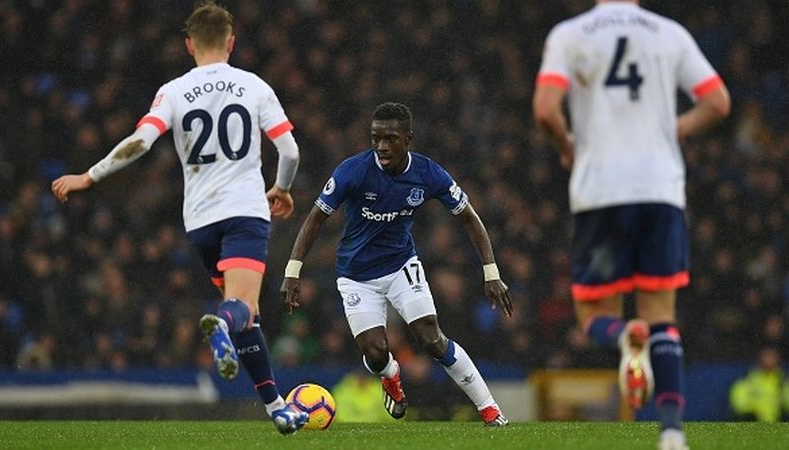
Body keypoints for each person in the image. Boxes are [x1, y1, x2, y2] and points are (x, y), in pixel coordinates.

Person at [51, 2, 308, 435]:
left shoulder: (173, 92)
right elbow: (290, 151)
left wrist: (89, 176)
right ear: (231, 42)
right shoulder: (255, 87)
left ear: (189, 45)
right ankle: (221, 325)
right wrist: (282, 188)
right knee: (240, 309)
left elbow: (140, 142)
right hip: (245, 211)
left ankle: (277, 408)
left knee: (249, 313)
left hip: (200, 221)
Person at [532, 1, 730, 449]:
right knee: (662, 316)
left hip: (600, 192)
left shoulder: (571, 33)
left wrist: (566, 145)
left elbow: (545, 109)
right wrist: (677, 128)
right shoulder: (669, 33)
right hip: (660, 189)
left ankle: (623, 335)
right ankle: (673, 433)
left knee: (592, 316)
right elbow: (718, 102)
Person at [280, 102, 514, 426]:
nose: (381, 146)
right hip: (355, 275)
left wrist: (492, 274)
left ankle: (490, 411)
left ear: (408, 139)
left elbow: (470, 219)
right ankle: (391, 374)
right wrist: (293, 271)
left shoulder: (428, 174)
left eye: (390, 138)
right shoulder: (353, 170)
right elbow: (315, 218)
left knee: (432, 339)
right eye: (376, 138)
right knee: (375, 354)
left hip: (401, 266)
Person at [729, 347, 787, 423]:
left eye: (772, 357)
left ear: (778, 360)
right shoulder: (749, 380)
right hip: (753, 423)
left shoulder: (783, 381)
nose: (769, 361)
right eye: (766, 357)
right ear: (760, 359)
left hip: (778, 424)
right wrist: (753, 413)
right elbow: (738, 403)